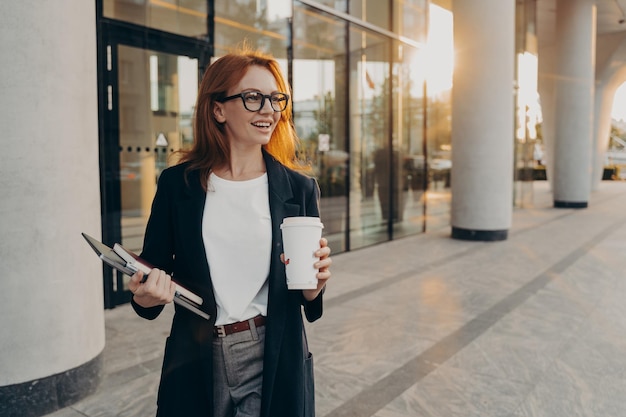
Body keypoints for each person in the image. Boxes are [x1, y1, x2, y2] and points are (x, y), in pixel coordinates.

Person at [128, 48, 332, 417]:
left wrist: (314, 287)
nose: (269, 110)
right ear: (218, 109)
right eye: (253, 98)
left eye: (275, 99)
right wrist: (146, 296)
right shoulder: (178, 185)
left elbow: (308, 299)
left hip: (271, 350)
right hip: (197, 353)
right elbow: (151, 273)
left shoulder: (299, 189)